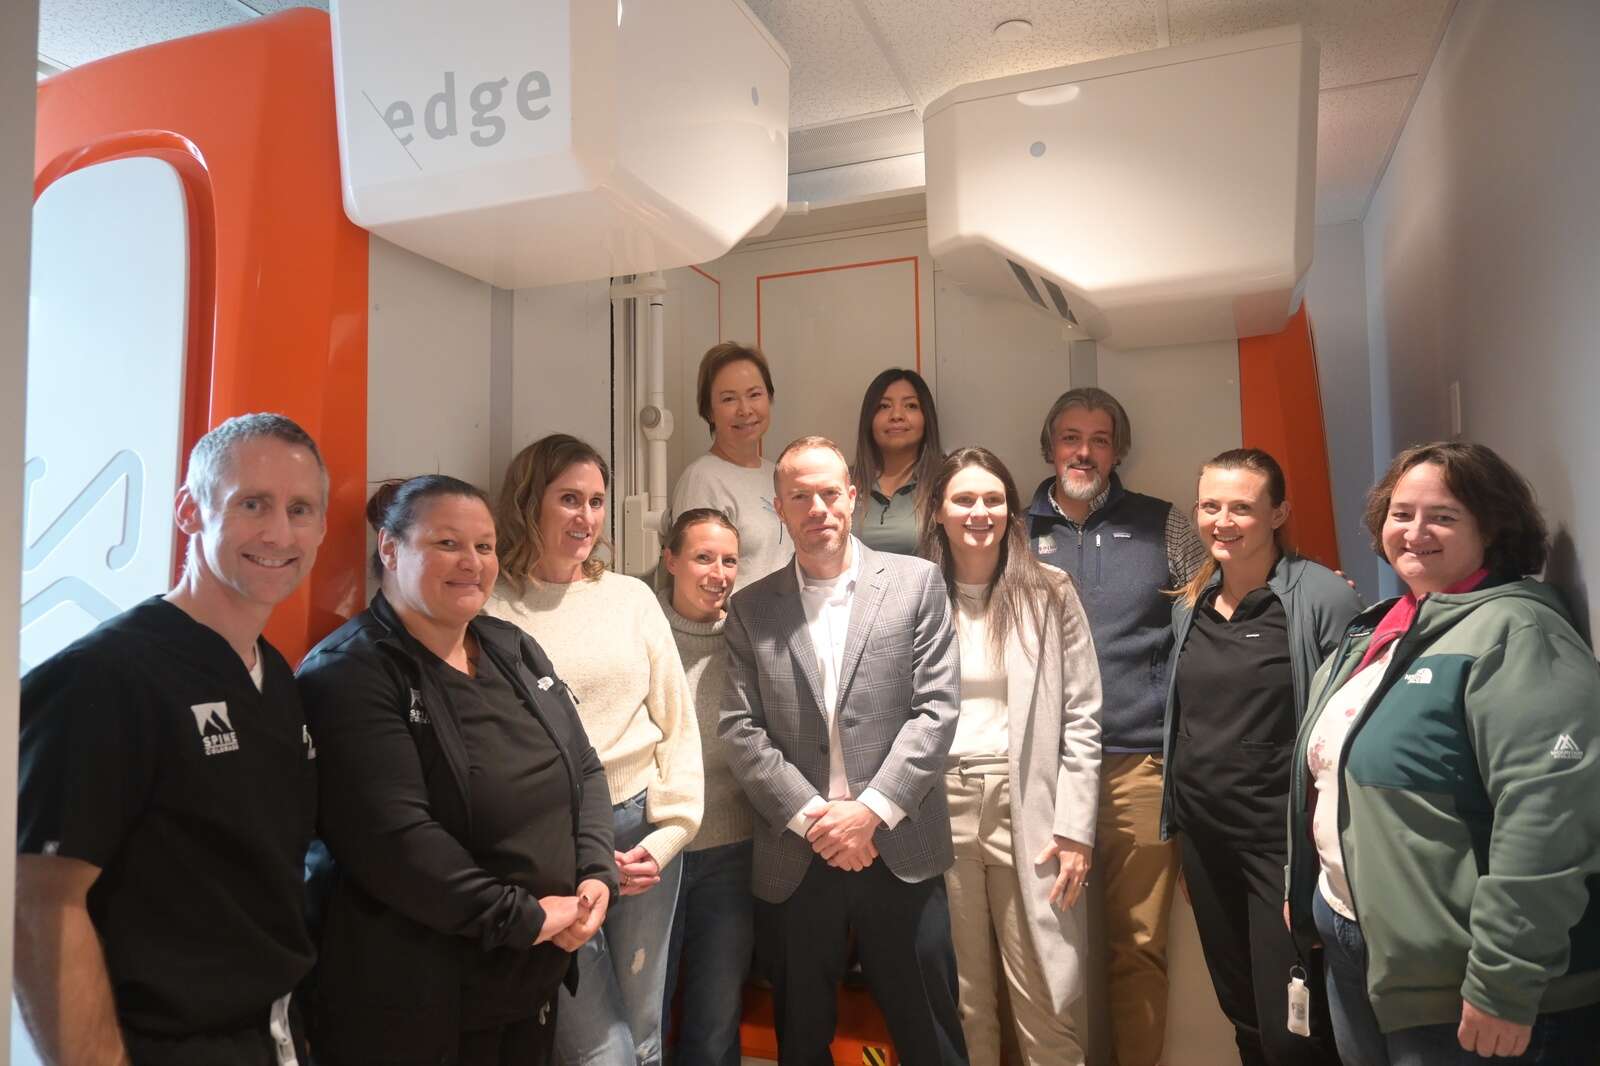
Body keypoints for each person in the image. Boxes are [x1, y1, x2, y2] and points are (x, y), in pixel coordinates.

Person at [15, 413, 327, 1065]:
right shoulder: (103, 678)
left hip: (268, 1037)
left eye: (300, 509)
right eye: (252, 504)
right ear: (190, 511)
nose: (279, 533)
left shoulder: (275, 679)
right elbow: (41, 901)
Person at [1287, 441, 1600, 1065]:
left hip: (1461, 986)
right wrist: (1309, 893)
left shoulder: (1517, 633)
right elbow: (1332, 778)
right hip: (1360, 947)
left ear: (1492, 528)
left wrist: (1504, 980)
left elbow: (1548, 819)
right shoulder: (1384, 628)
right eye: (1401, 513)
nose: (1415, 532)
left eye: (1444, 516)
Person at [298, 475, 617, 1066]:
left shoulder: (511, 648)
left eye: (484, 546)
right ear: (390, 548)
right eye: (447, 543)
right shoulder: (350, 673)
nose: (472, 562)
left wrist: (596, 875)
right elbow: (398, 844)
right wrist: (524, 916)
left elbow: (583, 767)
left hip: (528, 980)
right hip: (417, 1004)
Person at [720, 435, 968, 1066]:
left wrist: (870, 812)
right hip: (798, 853)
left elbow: (936, 710)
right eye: (800, 496)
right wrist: (818, 821)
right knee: (801, 1040)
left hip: (899, 845)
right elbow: (741, 730)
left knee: (931, 1036)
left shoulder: (916, 583)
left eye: (830, 493)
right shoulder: (750, 608)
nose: (818, 508)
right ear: (779, 507)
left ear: (852, 497)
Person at [485, 433, 703, 1066]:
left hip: (638, 836)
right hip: (547, 844)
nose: (586, 517)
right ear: (529, 502)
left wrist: (668, 837)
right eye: (569, 499)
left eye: (597, 501)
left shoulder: (630, 598)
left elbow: (677, 724)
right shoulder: (492, 608)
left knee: (644, 1034)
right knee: (598, 1049)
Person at [1025, 386, 1207, 1066]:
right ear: (1050, 446)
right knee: (1039, 942)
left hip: (1138, 767)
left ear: (1118, 450)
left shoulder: (1165, 525)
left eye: (1099, 440)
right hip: (1039, 773)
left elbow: (1219, 607)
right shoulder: (1010, 531)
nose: (1084, 452)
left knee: (1140, 946)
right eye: (1071, 437)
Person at [1158, 449, 1357, 1065]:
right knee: (1242, 1013)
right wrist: (1180, 832)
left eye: (1241, 508)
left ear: (1278, 514)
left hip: (1281, 845)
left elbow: (1348, 722)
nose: (1223, 521)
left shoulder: (1321, 596)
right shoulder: (1190, 604)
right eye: (1210, 506)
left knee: (1292, 1030)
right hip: (1206, 839)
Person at [919, 446, 1102, 1066]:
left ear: (1011, 511)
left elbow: (1082, 715)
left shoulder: (1049, 591)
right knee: (965, 998)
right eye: (964, 499)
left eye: (993, 499)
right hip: (940, 805)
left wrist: (1075, 828)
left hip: (1029, 809)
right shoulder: (913, 593)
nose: (980, 512)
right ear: (938, 511)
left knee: (1045, 991)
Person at [657, 508, 757, 1066]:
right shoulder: (642, 630)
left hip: (730, 853)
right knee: (647, 1014)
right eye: (703, 558)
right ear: (670, 560)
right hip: (655, 851)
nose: (718, 573)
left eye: (729, 561)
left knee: (714, 1024)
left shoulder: (749, 636)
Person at [669, 342, 789, 586]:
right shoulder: (702, 479)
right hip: (736, 612)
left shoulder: (779, 474)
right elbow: (694, 584)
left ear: (769, 398)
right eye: (729, 399)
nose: (745, 410)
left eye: (754, 395)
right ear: (709, 411)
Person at [850, 367, 944, 555]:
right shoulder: (845, 482)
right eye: (884, 406)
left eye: (911, 406)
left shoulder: (946, 481)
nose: (897, 416)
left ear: (926, 417)